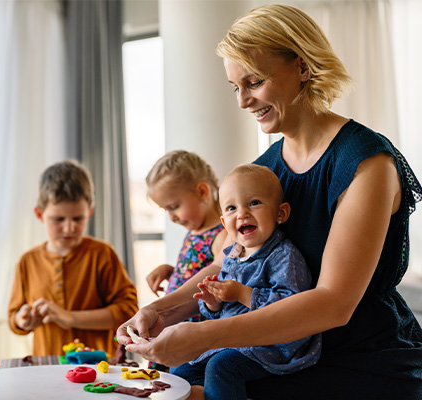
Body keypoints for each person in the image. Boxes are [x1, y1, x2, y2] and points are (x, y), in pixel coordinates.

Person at [117, 4, 422, 399]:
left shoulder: (366, 163)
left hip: (361, 361)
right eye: (235, 87)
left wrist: (204, 335)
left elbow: (334, 304)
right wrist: (159, 312)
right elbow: (225, 263)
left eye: (254, 82)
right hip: (272, 352)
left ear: (302, 66)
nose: (243, 101)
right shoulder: (264, 169)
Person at [170, 164, 321, 399]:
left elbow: (292, 308)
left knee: (222, 367)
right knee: (179, 367)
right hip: (230, 340)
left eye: (254, 203)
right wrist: (213, 303)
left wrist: (242, 294)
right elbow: (221, 314)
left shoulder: (284, 256)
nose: (242, 214)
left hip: (270, 345)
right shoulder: (233, 253)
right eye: (231, 208)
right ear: (224, 221)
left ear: (281, 213)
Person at [7, 160, 138, 357]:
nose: (69, 228)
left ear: (90, 213)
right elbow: (14, 319)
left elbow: (128, 311)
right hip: (46, 366)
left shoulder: (102, 254)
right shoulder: (28, 261)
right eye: (58, 219)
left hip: (97, 369)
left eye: (78, 219)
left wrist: (69, 318)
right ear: (39, 214)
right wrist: (22, 319)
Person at [143, 150, 225, 371]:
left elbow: (217, 269)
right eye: (166, 210)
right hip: (172, 325)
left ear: (202, 191)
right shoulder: (194, 232)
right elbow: (195, 267)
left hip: (193, 334)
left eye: (174, 207)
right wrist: (171, 270)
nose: (172, 217)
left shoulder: (222, 234)